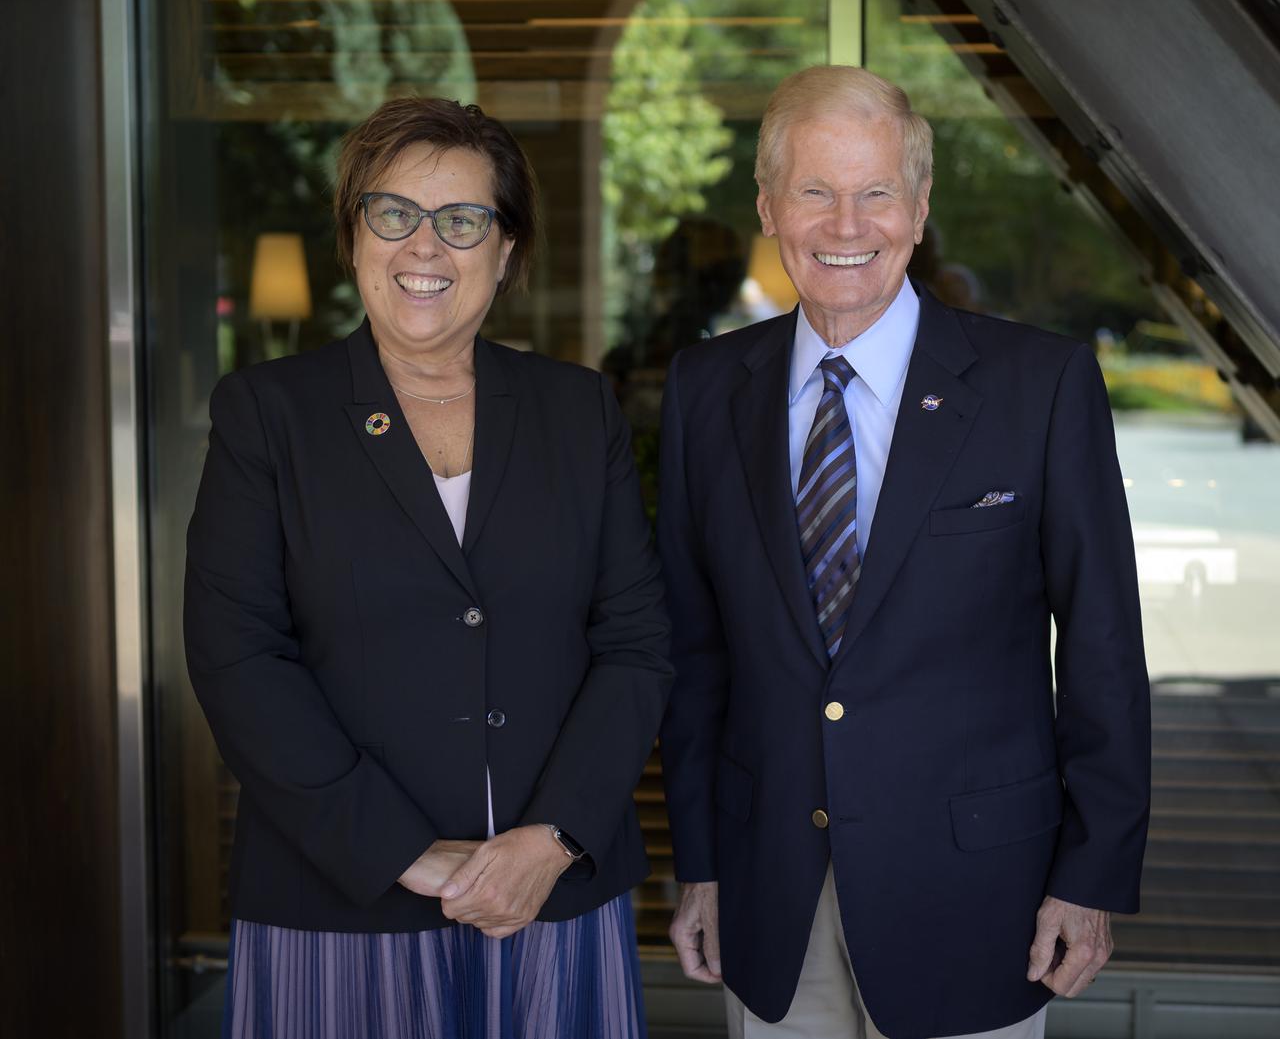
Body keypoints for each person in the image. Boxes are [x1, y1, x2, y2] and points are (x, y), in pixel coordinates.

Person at [657, 66, 1150, 1039]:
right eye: (814, 191)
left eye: (875, 191)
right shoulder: (704, 388)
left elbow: (1099, 648)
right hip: (770, 896)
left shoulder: (1038, 385)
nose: (847, 224)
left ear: (918, 209)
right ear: (767, 206)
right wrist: (702, 861)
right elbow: (693, 650)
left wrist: (1090, 874)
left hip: (978, 897)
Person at [185, 97, 672, 1038]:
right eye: (393, 212)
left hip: (551, 895)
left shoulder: (579, 411)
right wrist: (405, 851)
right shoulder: (269, 413)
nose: (424, 247)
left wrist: (555, 836)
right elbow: (237, 656)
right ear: (355, 234)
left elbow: (637, 642)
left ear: (507, 251)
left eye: (461, 220)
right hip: (341, 898)